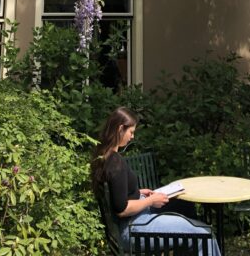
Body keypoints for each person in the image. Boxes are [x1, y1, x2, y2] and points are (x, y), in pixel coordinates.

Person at [91, 107, 221, 256]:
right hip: (133, 229)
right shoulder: (115, 163)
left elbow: (117, 195)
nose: (132, 137)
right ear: (121, 129)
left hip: (133, 221)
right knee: (205, 234)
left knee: (185, 205)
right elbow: (122, 209)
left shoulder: (104, 156)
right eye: (131, 132)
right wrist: (151, 201)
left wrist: (139, 192)